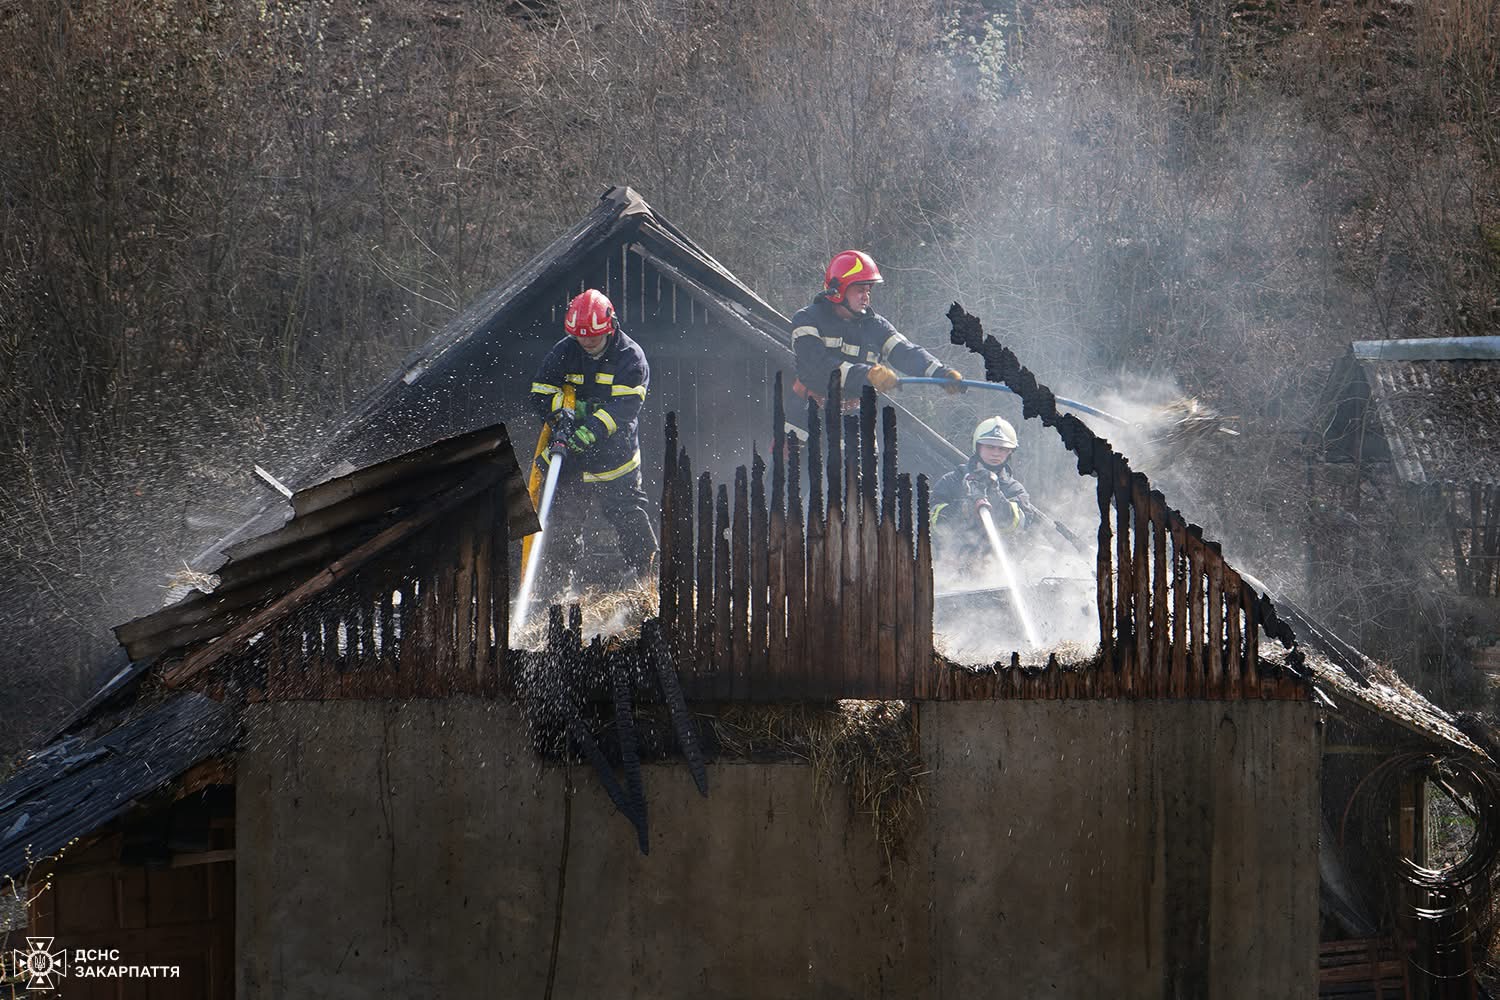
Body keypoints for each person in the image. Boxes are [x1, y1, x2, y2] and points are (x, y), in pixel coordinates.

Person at [529, 289, 657, 585]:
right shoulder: (565, 350)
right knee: (562, 523)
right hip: (570, 458)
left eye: (592, 337)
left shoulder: (630, 358)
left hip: (615, 457)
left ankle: (648, 583)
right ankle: (558, 589)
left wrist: (589, 431)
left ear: (609, 327)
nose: (586, 342)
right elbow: (541, 391)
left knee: (628, 517)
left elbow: (624, 407)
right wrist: (560, 415)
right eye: (580, 336)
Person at [789, 250, 965, 406]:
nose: (865, 297)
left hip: (855, 420)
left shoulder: (875, 325)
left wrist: (941, 373)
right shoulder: (807, 320)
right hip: (807, 417)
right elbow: (817, 369)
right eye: (859, 290)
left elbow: (906, 353)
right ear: (838, 291)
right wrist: (868, 375)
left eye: (868, 291)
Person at [930, 416, 1032, 572]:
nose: (996, 453)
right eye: (990, 446)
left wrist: (995, 493)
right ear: (978, 446)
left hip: (996, 574)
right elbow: (933, 522)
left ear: (1010, 452)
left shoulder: (1014, 490)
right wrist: (963, 508)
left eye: (1002, 449)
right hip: (950, 571)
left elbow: (1018, 527)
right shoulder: (952, 481)